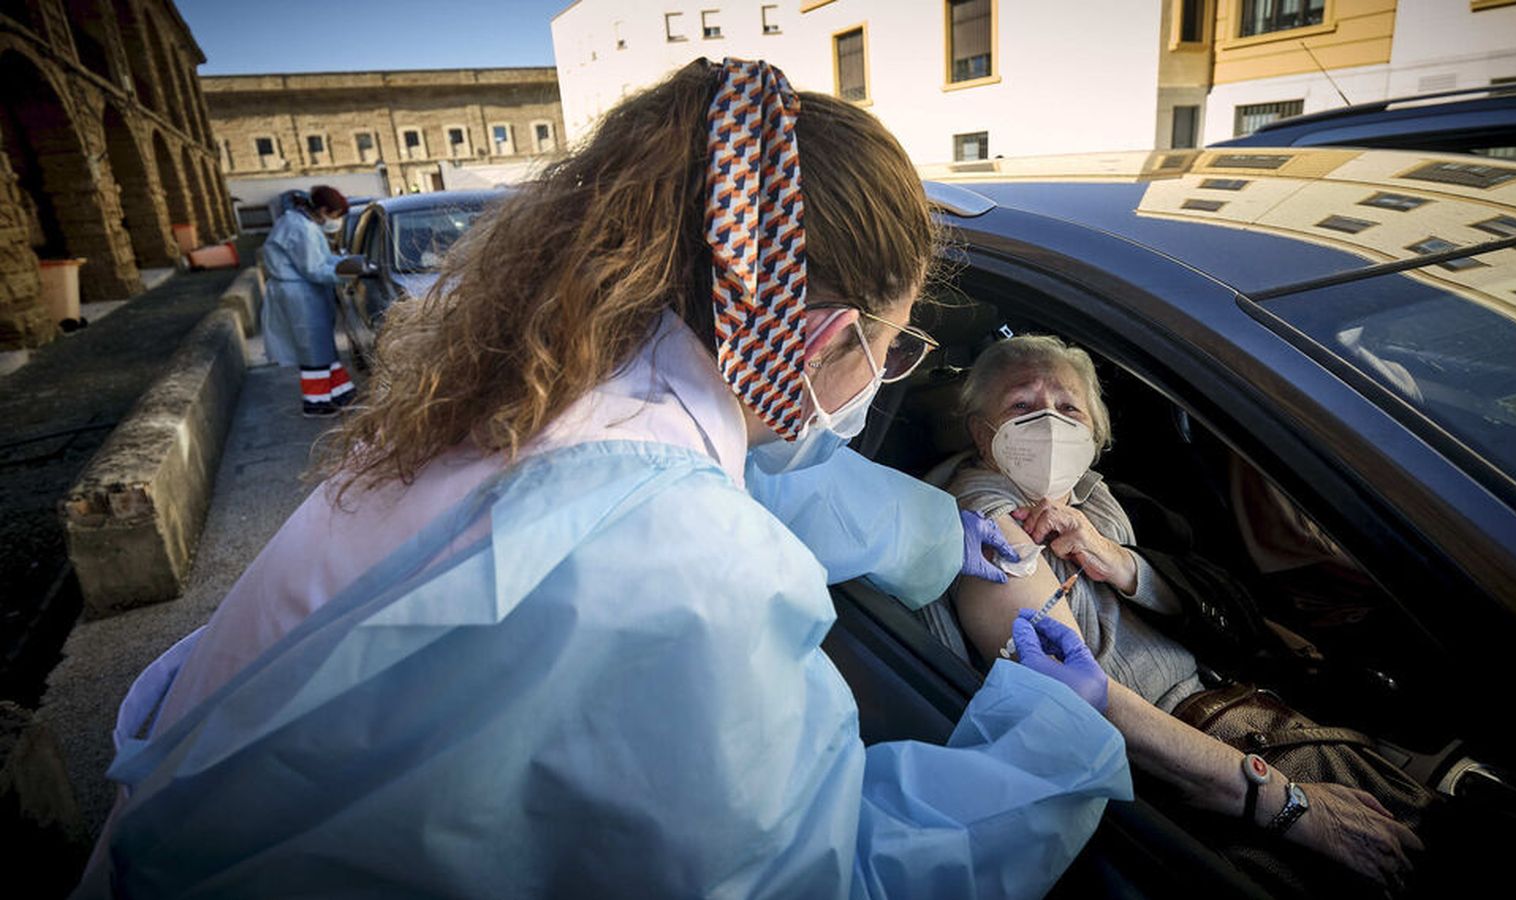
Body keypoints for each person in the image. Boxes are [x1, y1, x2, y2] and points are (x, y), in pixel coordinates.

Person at [75, 60, 1131, 899]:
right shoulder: (684, 563)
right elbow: (816, 876)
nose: (880, 380)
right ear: (826, 336)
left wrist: (939, 537)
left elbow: (765, 475)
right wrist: (1053, 740)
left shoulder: (560, 387)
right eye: (892, 350)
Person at [940, 334, 1426, 895]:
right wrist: (1286, 804)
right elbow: (1073, 695)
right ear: (983, 434)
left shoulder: (1105, 502)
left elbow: (1227, 602)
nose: (1048, 422)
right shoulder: (985, 522)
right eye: (1021, 406)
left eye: (1068, 407)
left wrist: (1123, 565)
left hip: (1249, 714)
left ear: (1094, 434)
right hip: (1195, 770)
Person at [260, 185, 355, 417]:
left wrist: (346, 263)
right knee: (313, 348)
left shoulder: (303, 223)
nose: (335, 221)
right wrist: (347, 274)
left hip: (304, 291)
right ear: (323, 209)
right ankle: (317, 403)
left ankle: (341, 392)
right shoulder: (300, 228)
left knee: (322, 345)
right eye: (334, 215)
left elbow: (322, 258)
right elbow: (314, 268)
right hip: (299, 294)